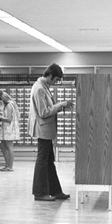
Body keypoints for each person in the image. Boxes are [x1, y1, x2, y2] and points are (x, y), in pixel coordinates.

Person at [28, 63, 74, 201]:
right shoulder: (39, 89)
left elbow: (48, 108)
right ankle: (40, 193)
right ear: (49, 75)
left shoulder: (44, 87)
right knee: (42, 160)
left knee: (48, 161)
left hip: (46, 129)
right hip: (43, 129)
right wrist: (60, 105)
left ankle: (55, 191)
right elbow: (43, 112)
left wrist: (60, 106)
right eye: (55, 80)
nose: (56, 83)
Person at [0, 90, 20, 171]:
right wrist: (0, 114)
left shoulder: (9, 105)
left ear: (3, 99)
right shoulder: (8, 105)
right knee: (2, 145)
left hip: (9, 129)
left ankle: (10, 166)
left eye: (0, 101)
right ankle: (7, 165)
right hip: (6, 128)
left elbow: (9, 119)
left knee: (9, 147)